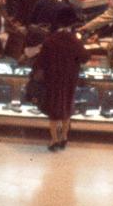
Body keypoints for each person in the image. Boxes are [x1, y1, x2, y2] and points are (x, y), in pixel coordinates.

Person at [34, 19, 89, 151]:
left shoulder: (50, 40)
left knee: (53, 110)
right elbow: (85, 57)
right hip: (69, 79)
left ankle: (54, 140)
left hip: (52, 79)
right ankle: (64, 137)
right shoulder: (74, 40)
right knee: (66, 106)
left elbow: (41, 61)